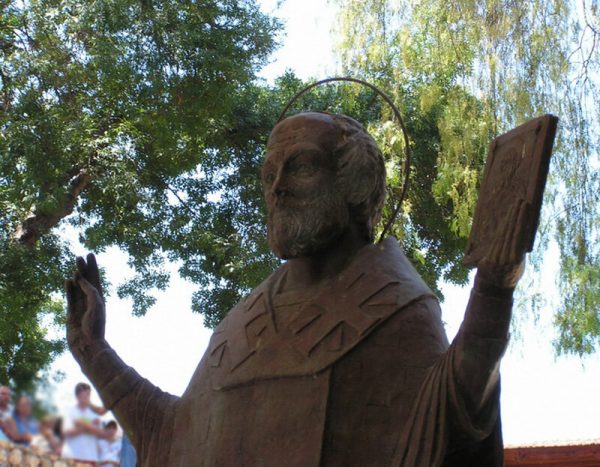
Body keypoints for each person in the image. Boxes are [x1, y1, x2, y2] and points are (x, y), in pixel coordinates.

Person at [66, 112, 527, 466]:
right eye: (269, 175)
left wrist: (493, 289)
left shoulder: (394, 308)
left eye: (300, 167)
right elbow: (173, 436)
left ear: (356, 183)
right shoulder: (240, 326)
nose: (277, 188)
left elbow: (450, 416)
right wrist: (93, 351)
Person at [62, 382, 106, 464]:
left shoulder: (94, 414)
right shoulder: (70, 412)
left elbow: (101, 433)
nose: (86, 398)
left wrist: (83, 425)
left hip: (90, 457)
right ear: (77, 396)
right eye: (84, 395)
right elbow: (67, 432)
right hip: (72, 457)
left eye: (88, 395)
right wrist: (89, 427)